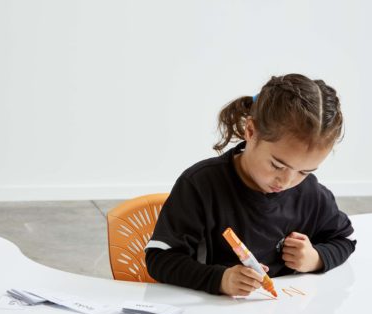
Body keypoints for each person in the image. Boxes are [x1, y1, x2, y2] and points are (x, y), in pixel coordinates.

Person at [145, 73, 356, 297]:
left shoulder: (311, 193)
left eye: (304, 171)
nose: (286, 182)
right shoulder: (201, 184)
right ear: (251, 131)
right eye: (277, 165)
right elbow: (160, 259)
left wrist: (317, 259)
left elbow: (345, 240)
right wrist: (220, 279)